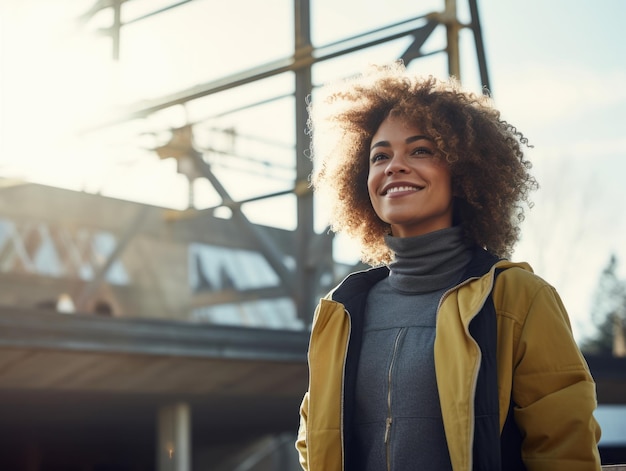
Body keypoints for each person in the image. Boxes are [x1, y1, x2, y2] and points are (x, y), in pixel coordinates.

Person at [295, 62, 602, 471]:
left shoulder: (518, 298)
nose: (394, 166)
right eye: (379, 156)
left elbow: (565, 452)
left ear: (462, 172)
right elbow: (313, 442)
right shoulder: (340, 310)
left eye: (420, 150)